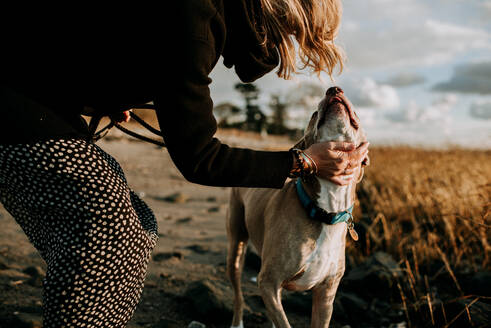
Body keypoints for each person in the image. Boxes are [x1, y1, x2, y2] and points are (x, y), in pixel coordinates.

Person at [0, 0, 368, 327]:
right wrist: (302, 162)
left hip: (47, 103)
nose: (282, 49)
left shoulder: (204, 20)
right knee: (110, 233)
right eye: (291, 35)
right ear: (279, 11)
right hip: (18, 103)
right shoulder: (197, 18)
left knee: (135, 226)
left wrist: (105, 89)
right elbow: (200, 158)